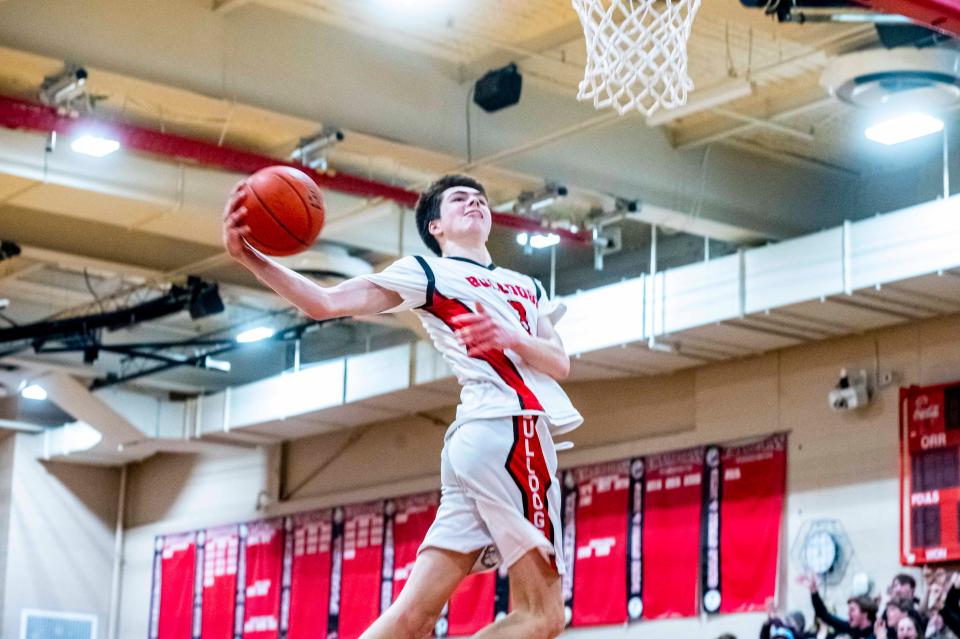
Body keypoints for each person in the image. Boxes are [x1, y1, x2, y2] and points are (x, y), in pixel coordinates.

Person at [223, 174, 582, 639]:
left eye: (480, 199)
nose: (474, 203)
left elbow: (559, 363)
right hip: (508, 429)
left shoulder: (527, 286)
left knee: (413, 619)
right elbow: (326, 302)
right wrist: (251, 258)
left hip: (475, 445)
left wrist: (514, 337)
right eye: (459, 199)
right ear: (436, 226)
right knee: (544, 615)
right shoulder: (428, 272)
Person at [799, 574, 876, 639]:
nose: (848, 613)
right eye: (849, 610)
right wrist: (814, 591)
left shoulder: (876, 634)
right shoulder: (850, 628)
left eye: (852, 610)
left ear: (865, 613)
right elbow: (824, 615)